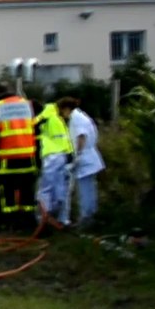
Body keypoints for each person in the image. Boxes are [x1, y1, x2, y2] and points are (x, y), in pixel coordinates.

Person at [0, 80, 38, 230]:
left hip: (7, 159)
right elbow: (36, 131)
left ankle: (10, 223)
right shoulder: (27, 105)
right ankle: (28, 222)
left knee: (7, 191)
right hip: (28, 157)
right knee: (27, 190)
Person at [33, 97, 76, 228]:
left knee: (60, 189)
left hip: (60, 156)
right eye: (70, 111)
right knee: (47, 188)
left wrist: (69, 152)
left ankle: (56, 218)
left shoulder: (57, 117)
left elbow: (63, 139)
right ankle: (43, 219)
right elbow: (35, 123)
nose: (69, 115)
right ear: (65, 108)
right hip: (52, 156)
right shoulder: (50, 113)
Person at [64, 97, 104, 228]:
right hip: (89, 157)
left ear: (66, 109)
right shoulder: (81, 116)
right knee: (89, 189)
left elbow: (81, 136)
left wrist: (77, 155)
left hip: (85, 158)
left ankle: (86, 218)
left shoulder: (76, 118)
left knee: (85, 190)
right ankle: (90, 215)